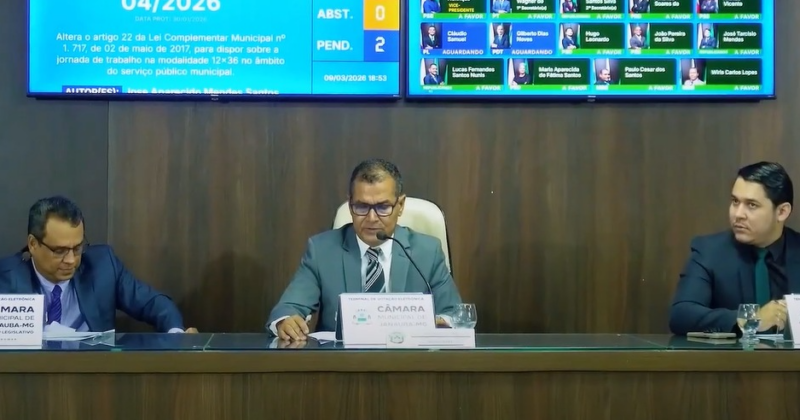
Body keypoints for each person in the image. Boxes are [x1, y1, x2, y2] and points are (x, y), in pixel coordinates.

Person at [267, 159, 462, 341]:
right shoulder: (322, 251)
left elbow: (454, 314)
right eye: (361, 207)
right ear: (350, 204)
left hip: (408, 360)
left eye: (383, 207)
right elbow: (288, 308)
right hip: (342, 362)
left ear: (400, 205)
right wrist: (286, 321)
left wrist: (436, 324)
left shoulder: (427, 252)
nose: (371, 218)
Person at [0, 196, 197, 333]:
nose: (71, 260)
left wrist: (176, 333)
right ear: (33, 244)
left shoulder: (102, 266)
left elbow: (153, 303)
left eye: (77, 248)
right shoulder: (6, 279)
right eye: (59, 251)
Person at [670, 162, 799, 335]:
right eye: (735, 202)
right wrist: (751, 319)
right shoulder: (709, 252)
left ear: (782, 212)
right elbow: (681, 315)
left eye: (751, 205)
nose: (738, 214)